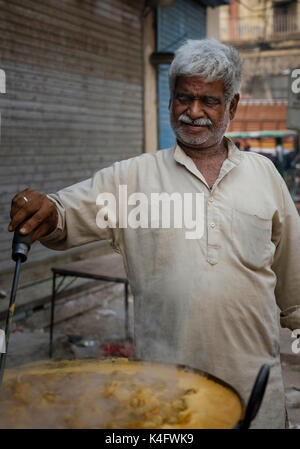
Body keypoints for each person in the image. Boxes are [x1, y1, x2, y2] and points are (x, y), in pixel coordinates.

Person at [8, 39, 300, 429]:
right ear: (170, 100)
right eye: (184, 98)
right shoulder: (133, 177)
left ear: (232, 106)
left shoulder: (264, 175)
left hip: (258, 390)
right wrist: (44, 211)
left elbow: (294, 284)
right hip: (165, 396)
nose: (193, 112)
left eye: (209, 101)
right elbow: (62, 216)